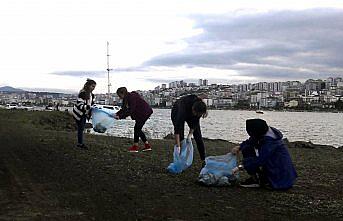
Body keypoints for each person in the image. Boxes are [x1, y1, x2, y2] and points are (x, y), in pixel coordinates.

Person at [231, 118, 297, 190]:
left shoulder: (270, 143)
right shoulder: (265, 131)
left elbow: (260, 160)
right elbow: (252, 141)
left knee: (253, 160)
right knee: (247, 148)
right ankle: (256, 179)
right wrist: (240, 147)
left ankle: (264, 180)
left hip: (280, 174)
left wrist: (240, 167)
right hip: (274, 165)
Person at [171, 94, 208, 166]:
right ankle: (180, 160)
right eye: (195, 113)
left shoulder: (199, 109)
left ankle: (203, 159)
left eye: (198, 115)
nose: (196, 115)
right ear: (193, 109)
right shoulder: (182, 110)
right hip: (176, 111)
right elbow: (177, 130)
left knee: (198, 137)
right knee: (181, 137)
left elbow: (194, 124)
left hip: (192, 111)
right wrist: (178, 146)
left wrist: (189, 136)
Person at [115, 87, 153, 152]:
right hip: (140, 113)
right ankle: (147, 146)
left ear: (123, 93)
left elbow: (131, 110)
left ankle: (135, 147)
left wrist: (120, 117)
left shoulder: (132, 97)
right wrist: (117, 114)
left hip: (144, 112)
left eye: (119, 95)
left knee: (137, 129)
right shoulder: (126, 98)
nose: (119, 97)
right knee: (138, 129)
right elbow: (124, 109)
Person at [72, 79, 96, 149]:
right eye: (92, 86)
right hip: (79, 113)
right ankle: (80, 143)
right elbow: (79, 104)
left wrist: (93, 107)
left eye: (94, 87)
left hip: (84, 113)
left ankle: (80, 143)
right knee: (81, 128)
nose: (93, 88)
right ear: (88, 86)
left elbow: (92, 104)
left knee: (81, 128)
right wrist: (87, 107)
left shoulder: (92, 95)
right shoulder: (82, 93)